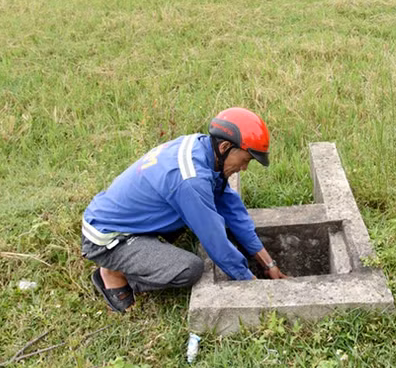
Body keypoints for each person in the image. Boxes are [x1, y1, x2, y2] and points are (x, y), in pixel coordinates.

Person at [81, 107, 287, 313]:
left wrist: (269, 265)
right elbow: (216, 243)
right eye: (245, 160)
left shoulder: (203, 149)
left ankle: (138, 256)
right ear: (225, 147)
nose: (244, 168)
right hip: (109, 238)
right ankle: (113, 273)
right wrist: (255, 287)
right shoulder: (191, 180)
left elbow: (232, 210)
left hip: (130, 218)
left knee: (200, 213)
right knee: (189, 268)